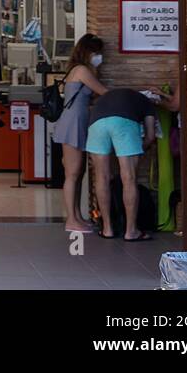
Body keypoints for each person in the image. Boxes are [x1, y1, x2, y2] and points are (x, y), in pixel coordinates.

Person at [86, 87, 162, 241]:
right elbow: (150, 136)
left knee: (102, 178)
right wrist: (137, 150)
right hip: (123, 123)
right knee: (129, 178)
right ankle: (131, 231)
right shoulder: (147, 103)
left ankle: (107, 228)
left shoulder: (111, 96)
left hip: (96, 123)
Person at [53, 34, 108, 233]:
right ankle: (71, 220)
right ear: (88, 52)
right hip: (72, 124)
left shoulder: (79, 69)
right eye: (97, 53)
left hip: (78, 123)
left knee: (78, 173)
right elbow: (103, 91)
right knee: (73, 173)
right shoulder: (82, 70)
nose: (99, 57)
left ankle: (77, 216)